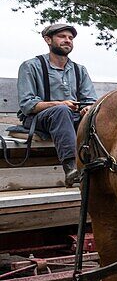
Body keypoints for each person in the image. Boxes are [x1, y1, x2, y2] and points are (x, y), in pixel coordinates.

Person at [16, 23, 98, 187]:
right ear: (48, 40)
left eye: (70, 38)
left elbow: (89, 100)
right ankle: (71, 167)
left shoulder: (79, 69)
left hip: (70, 118)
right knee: (61, 111)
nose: (67, 40)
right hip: (37, 118)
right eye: (62, 37)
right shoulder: (31, 66)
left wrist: (87, 109)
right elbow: (27, 104)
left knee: (97, 114)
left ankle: (105, 166)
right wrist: (59, 104)